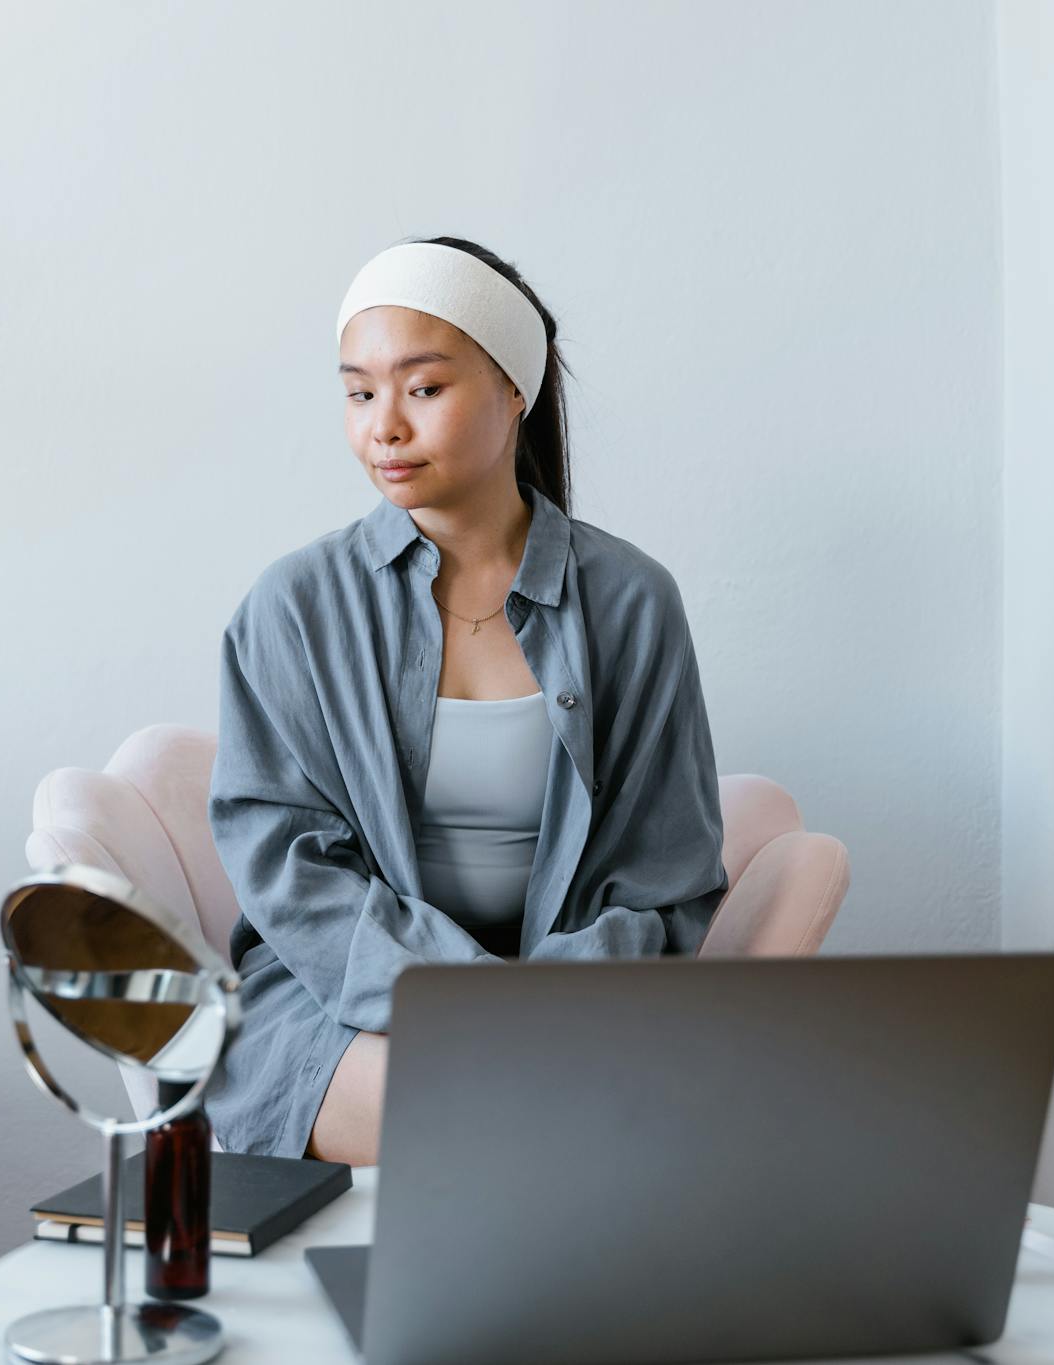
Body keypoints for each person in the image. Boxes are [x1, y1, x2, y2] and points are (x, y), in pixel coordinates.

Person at [204, 237, 728, 1164]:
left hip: (572, 1012)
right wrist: (465, 1000)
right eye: (359, 393)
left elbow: (664, 871)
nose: (384, 426)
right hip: (336, 1010)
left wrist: (534, 1005)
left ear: (514, 391)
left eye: (423, 387)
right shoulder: (292, 607)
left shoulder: (633, 602)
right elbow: (290, 868)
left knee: (554, 1101)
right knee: (506, 1111)